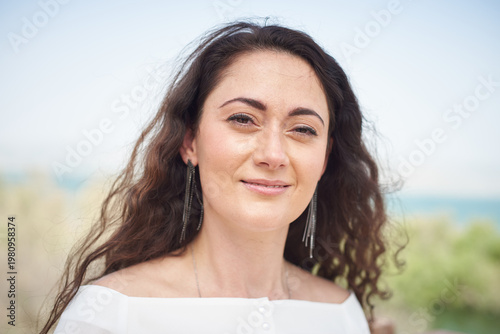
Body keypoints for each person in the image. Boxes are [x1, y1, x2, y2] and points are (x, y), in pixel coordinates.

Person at [40, 20, 399, 334]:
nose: (273, 155)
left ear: (324, 159)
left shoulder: (341, 315)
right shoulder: (110, 314)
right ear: (190, 141)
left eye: (302, 129)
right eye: (243, 119)